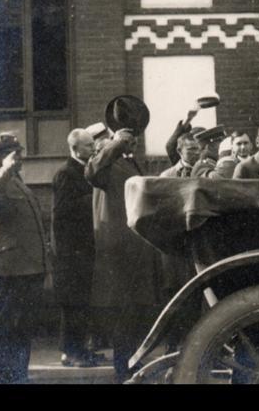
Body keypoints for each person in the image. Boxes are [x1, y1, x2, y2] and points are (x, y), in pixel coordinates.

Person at [86, 96, 161, 382]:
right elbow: (92, 170)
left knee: (138, 315)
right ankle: (123, 372)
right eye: (129, 139)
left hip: (137, 253)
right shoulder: (104, 165)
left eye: (134, 139)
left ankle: (133, 368)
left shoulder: (129, 164)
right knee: (124, 319)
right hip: (118, 256)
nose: (133, 143)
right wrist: (115, 142)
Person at [0, 133, 48, 383]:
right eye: (13, 153)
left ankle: (18, 376)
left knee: (23, 328)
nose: (19, 158)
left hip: (30, 267)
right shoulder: (1, 181)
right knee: (5, 329)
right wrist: (3, 171)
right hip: (9, 269)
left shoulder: (18, 182)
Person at [51, 129, 99, 368]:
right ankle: (72, 353)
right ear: (76, 148)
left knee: (82, 304)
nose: (94, 148)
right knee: (73, 305)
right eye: (89, 145)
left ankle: (78, 349)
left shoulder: (84, 170)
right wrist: (96, 198)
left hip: (83, 250)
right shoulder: (65, 174)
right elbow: (62, 213)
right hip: (72, 253)